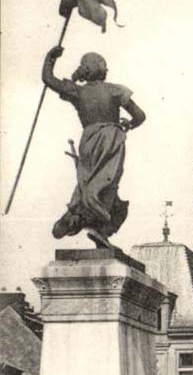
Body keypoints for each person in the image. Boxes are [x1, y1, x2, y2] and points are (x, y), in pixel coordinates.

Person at [42, 46, 145, 246]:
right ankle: (99, 225)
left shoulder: (77, 92)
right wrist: (128, 124)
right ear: (101, 69)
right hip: (112, 141)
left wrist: (50, 58)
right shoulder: (115, 90)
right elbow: (140, 116)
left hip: (88, 142)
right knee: (108, 183)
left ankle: (77, 217)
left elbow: (48, 79)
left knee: (87, 183)